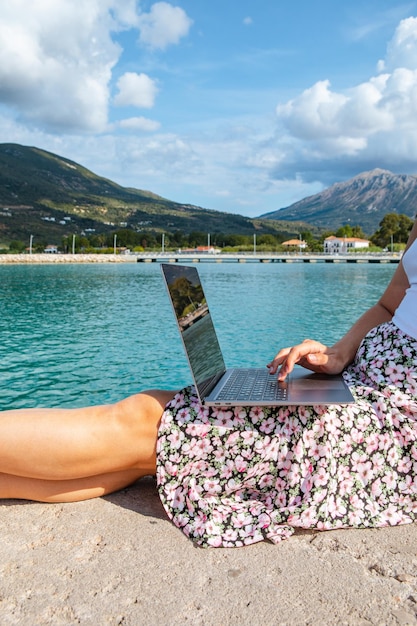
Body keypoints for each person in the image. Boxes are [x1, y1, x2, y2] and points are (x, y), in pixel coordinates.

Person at [1, 221, 417, 548]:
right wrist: (341, 353)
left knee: (148, 420)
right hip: (362, 377)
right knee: (142, 457)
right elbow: (390, 302)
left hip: (397, 422)